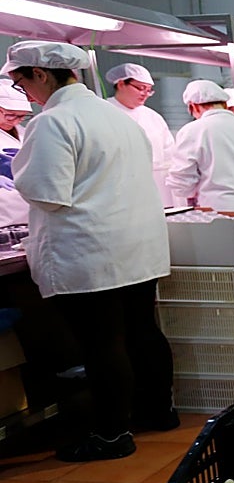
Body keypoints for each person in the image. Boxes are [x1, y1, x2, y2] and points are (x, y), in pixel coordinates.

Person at [3, 40, 176, 461]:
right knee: (142, 331)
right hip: (136, 246)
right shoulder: (118, 118)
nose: (25, 93)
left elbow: (47, 192)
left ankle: (113, 435)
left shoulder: (54, 121)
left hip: (91, 249)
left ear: (41, 74)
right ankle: (159, 412)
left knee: (103, 344)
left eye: (22, 83)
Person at [167, 79, 234, 212]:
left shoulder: (193, 130)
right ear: (225, 104)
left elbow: (181, 184)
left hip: (227, 213)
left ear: (193, 107)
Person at [105, 63, 176, 207]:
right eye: (140, 88)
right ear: (120, 84)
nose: (145, 93)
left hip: (158, 189)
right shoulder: (104, 111)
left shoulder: (153, 116)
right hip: (121, 189)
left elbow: (170, 154)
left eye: (149, 90)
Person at [0, 78, 31, 227]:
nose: (16, 121)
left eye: (22, 116)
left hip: (29, 213)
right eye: (11, 115)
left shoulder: (25, 133)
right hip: (4, 216)